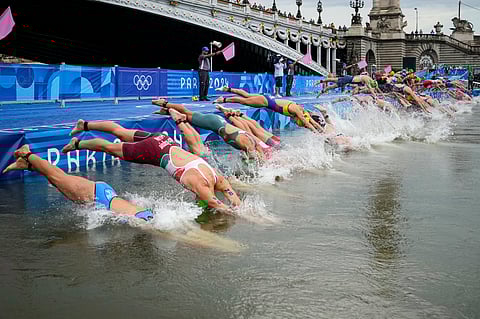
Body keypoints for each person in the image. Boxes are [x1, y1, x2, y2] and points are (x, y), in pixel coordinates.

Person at [64, 119, 241, 213]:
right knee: (109, 148)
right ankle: (78, 144)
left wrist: (238, 208)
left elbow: (232, 199)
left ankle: (85, 125)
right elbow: (214, 202)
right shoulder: (202, 187)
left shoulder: (218, 178)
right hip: (152, 151)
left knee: (121, 132)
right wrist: (239, 215)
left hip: (163, 140)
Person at [2, 145, 154, 221]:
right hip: (98, 197)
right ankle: (26, 153)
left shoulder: (150, 217)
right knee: (57, 178)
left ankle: (26, 165)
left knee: (59, 179)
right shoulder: (151, 223)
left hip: (103, 195)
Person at [152, 99, 266, 160]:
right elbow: (253, 160)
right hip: (214, 123)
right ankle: (165, 104)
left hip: (218, 123)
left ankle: (167, 111)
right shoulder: (248, 144)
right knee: (187, 113)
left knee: (187, 117)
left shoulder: (253, 143)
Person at [213, 86, 324, 133]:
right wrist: (316, 133)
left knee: (247, 95)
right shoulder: (297, 111)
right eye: (298, 122)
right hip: (266, 102)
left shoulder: (304, 114)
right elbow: (308, 124)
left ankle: (227, 89)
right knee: (244, 101)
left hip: (267, 99)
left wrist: (322, 132)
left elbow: (312, 123)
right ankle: (223, 100)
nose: (295, 122)